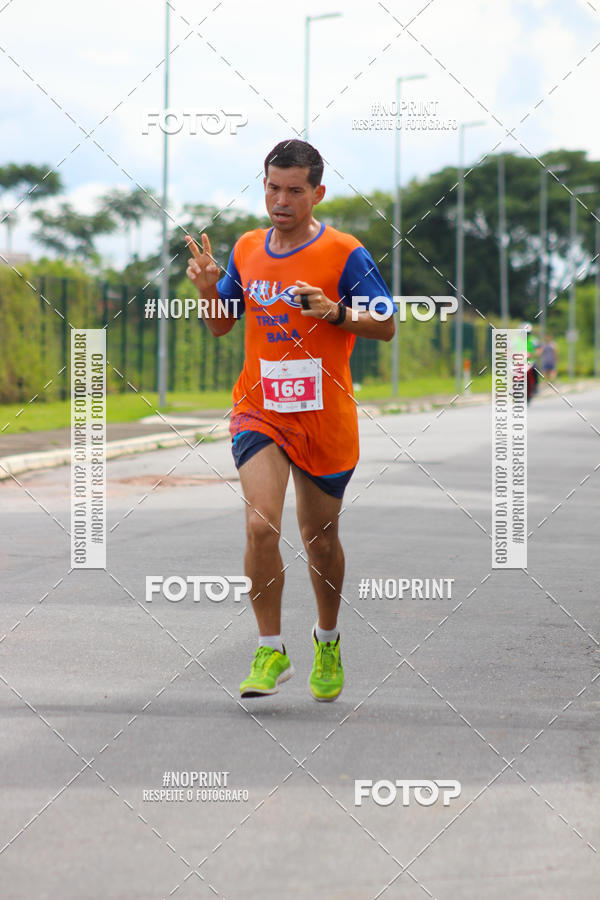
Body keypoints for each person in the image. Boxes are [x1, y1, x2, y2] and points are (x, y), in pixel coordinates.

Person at [185, 139, 394, 702]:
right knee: (261, 526)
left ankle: (327, 639)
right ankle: (270, 648)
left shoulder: (345, 253)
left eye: (294, 190)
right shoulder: (247, 249)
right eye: (273, 188)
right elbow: (222, 325)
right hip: (260, 410)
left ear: (317, 193)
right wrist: (207, 291)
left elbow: (386, 323)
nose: (281, 200)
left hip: (324, 416)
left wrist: (334, 311)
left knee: (319, 540)